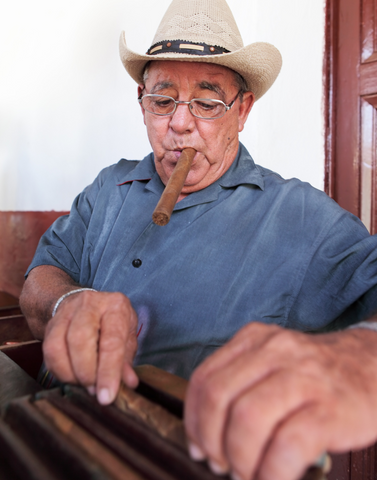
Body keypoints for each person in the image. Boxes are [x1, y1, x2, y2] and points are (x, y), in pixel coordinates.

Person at [19, 0, 377, 479]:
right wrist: (68, 301)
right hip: (49, 430)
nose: (180, 124)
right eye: (163, 101)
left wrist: (357, 360)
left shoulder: (299, 215)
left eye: (207, 103)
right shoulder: (109, 188)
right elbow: (42, 274)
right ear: (141, 103)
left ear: (243, 110)